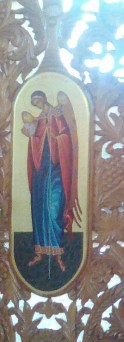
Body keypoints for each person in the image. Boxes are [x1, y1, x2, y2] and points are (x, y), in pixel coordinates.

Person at [22, 89, 80, 272]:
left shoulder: (57, 114)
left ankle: (58, 253)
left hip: (56, 169)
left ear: (44, 99)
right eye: (35, 104)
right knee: (38, 208)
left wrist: (57, 138)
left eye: (38, 101)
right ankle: (40, 251)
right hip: (40, 171)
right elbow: (34, 141)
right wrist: (33, 135)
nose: (38, 105)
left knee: (54, 209)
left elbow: (66, 137)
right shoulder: (39, 120)